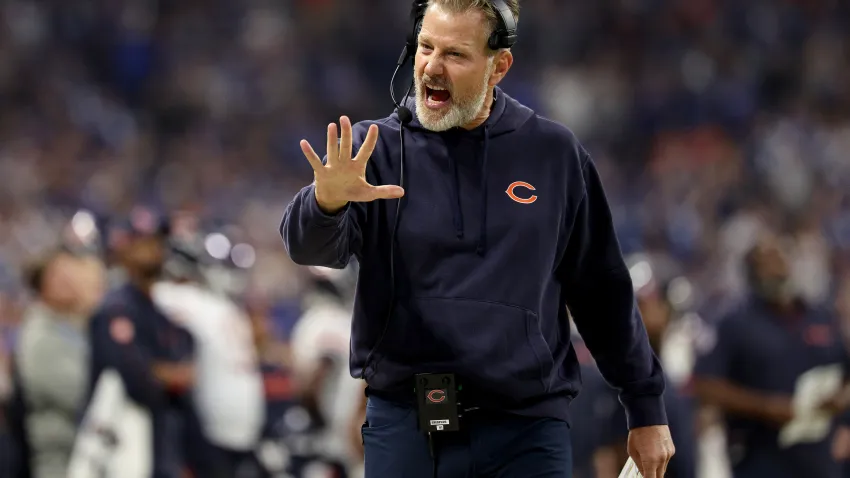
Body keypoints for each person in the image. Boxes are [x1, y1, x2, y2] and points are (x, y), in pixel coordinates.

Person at [279, 1, 674, 477]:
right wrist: (325, 204)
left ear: (498, 66)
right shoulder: (373, 150)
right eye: (425, 47)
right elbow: (310, 249)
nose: (431, 67)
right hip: (408, 424)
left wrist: (645, 405)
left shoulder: (553, 155)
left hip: (527, 428)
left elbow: (602, 290)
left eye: (455, 54)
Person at [693, 233, 850, 478]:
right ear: (751, 274)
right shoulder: (735, 323)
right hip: (761, 456)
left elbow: (845, 372)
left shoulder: (820, 315)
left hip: (821, 457)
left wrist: (842, 406)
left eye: (779, 258)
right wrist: (765, 406)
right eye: (763, 263)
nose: (775, 269)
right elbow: (705, 385)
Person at [68, 211, 196, 478]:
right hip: (120, 435)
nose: (151, 249)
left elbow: (188, 354)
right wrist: (166, 375)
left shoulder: (159, 308)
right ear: (122, 247)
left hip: (161, 436)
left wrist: (167, 374)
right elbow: (136, 379)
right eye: (141, 241)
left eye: (155, 241)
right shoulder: (116, 307)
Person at [151, 236, 266, 478]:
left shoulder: (190, 300)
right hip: (247, 420)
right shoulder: (228, 308)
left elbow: (144, 295)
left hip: (215, 420)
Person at [14, 248, 105, 478]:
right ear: (42, 284)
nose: (69, 282)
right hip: (60, 461)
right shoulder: (39, 335)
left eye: (70, 274)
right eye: (59, 276)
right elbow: (80, 392)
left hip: (85, 455)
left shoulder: (71, 325)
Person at [289, 264, 366, 475]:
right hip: (346, 428)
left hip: (334, 430)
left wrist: (314, 417)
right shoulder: (343, 322)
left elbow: (316, 374)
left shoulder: (318, 321)